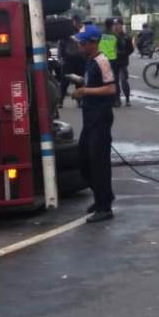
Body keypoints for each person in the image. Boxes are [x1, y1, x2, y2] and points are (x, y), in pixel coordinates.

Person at [72, 25, 118, 223]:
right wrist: (81, 81)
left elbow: (110, 89)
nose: (80, 46)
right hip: (89, 118)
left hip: (100, 117)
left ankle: (104, 206)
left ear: (92, 43)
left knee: (99, 162)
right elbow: (93, 82)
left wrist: (85, 92)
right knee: (84, 160)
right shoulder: (90, 62)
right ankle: (102, 196)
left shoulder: (102, 61)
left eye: (83, 42)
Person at [58, 16, 85, 106]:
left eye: (78, 22)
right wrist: (60, 58)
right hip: (68, 59)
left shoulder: (82, 32)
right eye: (75, 22)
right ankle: (60, 100)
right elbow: (61, 45)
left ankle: (79, 100)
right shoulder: (66, 32)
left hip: (80, 59)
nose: (77, 23)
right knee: (65, 81)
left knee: (79, 81)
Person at [113, 18, 134, 107]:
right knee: (115, 81)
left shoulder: (126, 37)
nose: (116, 26)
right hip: (114, 62)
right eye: (115, 25)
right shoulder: (111, 36)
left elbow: (131, 49)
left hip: (123, 62)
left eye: (118, 24)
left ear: (121, 25)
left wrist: (123, 53)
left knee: (123, 80)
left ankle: (127, 99)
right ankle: (117, 100)